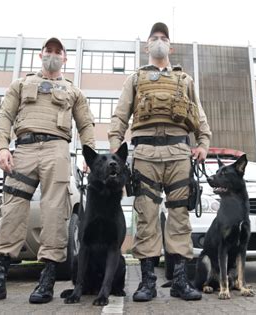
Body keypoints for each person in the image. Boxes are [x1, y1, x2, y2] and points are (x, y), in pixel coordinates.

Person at [0, 37, 96, 305]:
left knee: (53, 212)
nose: (52, 55)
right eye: (48, 50)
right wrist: (3, 147)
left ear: (65, 59)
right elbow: (4, 115)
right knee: (12, 210)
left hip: (56, 150)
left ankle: (47, 279)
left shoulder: (74, 92)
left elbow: (86, 125)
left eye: (57, 51)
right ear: (40, 56)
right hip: (23, 150)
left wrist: (90, 155)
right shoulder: (21, 84)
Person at [108, 22, 211, 302]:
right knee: (147, 217)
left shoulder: (185, 79)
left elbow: (199, 116)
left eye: (163, 38)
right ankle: (147, 282)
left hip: (179, 153)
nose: (159, 42)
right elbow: (120, 115)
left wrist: (203, 143)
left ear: (171, 46)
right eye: (154, 38)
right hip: (145, 155)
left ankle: (179, 281)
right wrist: (116, 145)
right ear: (146, 46)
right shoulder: (135, 79)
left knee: (179, 217)